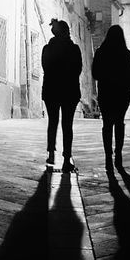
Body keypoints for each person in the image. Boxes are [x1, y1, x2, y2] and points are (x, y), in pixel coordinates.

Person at [91, 24, 130, 172]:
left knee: (107, 125)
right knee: (119, 123)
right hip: (122, 93)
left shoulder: (100, 52)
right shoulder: (125, 53)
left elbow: (95, 74)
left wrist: (106, 77)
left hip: (106, 92)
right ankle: (118, 154)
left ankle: (108, 156)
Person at [41, 18, 83, 171]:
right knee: (67, 125)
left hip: (51, 90)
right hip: (69, 91)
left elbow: (46, 68)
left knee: (52, 123)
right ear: (66, 32)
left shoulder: (47, 48)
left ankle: (51, 154)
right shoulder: (74, 49)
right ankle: (66, 158)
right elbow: (78, 69)